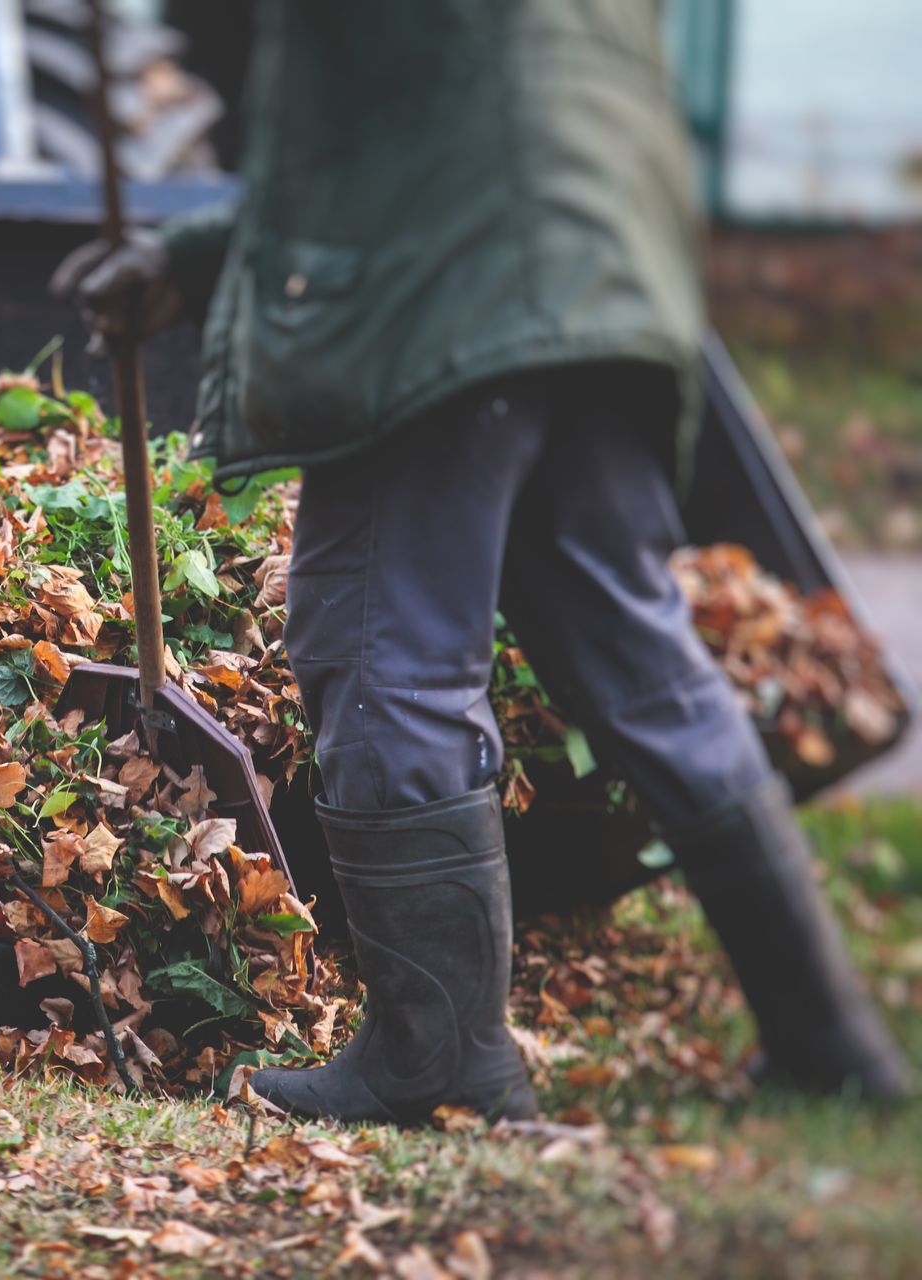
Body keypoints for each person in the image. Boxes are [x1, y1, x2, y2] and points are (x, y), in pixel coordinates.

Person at [57, 1, 910, 1121]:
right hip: (606, 276)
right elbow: (449, 103)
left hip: (444, 299)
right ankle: (830, 1036)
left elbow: (388, 146)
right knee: (641, 657)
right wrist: (190, 257)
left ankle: (439, 1059)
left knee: (382, 646)